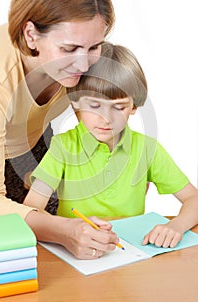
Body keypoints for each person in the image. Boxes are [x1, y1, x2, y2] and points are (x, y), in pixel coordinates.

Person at [0, 0, 120, 259]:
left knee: (54, 254)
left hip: (30, 143)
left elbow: (99, 117)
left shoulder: (80, 52)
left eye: (94, 46)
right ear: (31, 35)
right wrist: (62, 230)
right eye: (69, 49)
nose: (84, 63)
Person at [24, 42, 198, 250]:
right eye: (94, 105)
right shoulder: (63, 147)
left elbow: (193, 198)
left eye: (119, 107)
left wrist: (175, 226)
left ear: (133, 107)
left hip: (131, 252)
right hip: (78, 251)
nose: (106, 119)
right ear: (76, 103)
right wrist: (68, 230)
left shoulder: (146, 148)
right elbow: (31, 211)